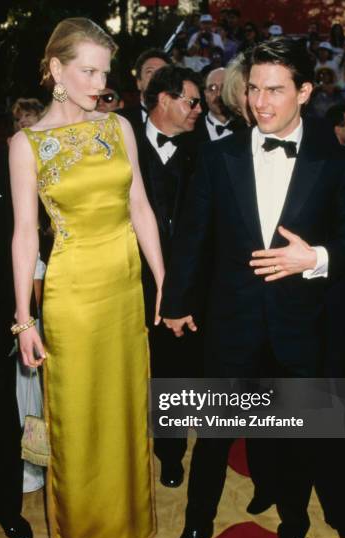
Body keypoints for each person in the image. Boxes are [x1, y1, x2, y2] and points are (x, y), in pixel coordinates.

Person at [161, 38, 345, 538]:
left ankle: (293, 536)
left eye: (275, 89)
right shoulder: (218, 156)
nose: (260, 102)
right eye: (253, 89)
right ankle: (196, 527)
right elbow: (194, 237)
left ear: (304, 91)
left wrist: (314, 258)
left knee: (296, 441)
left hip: (301, 329)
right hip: (232, 325)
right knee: (214, 438)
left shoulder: (334, 162)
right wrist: (176, 303)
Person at [9, 17, 164, 538]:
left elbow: (141, 208)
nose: (100, 82)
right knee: (78, 420)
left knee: (124, 411)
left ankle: (129, 524)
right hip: (72, 298)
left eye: (105, 71)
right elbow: (26, 234)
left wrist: (164, 279)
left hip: (124, 290)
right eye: (88, 70)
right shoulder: (26, 145)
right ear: (55, 70)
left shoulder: (119, 127)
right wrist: (24, 319)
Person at [135, 65, 203, 487]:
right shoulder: (120, 140)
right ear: (164, 100)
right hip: (123, 278)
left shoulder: (203, 150)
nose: (199, 109)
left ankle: (171, 452)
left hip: (180, 281)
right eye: (190, 101)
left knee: (174, 368)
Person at [0, 142, 33, 538]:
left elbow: (20, 237)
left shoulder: (5, 162)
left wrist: (21, 315)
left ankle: (7, 507)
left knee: (3, 417)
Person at [120, 48, 170, 135]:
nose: (156, 77)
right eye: (150, 72)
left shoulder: (187, 119)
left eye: (163, 72)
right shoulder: (119, 122)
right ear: (139, 82)